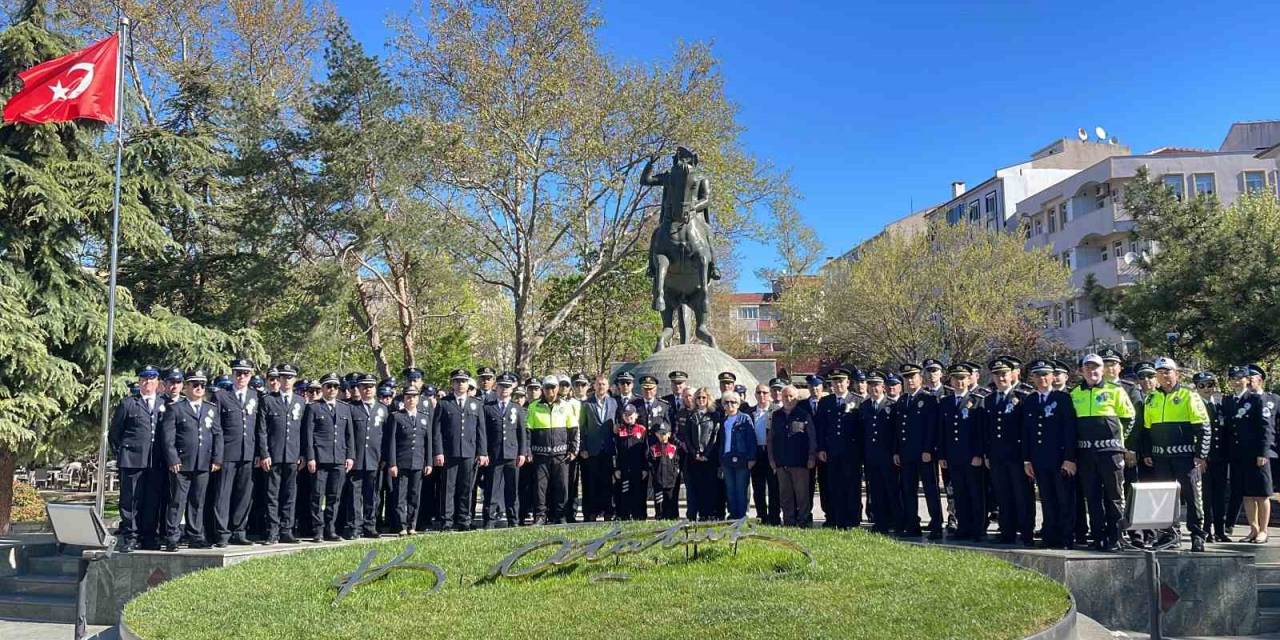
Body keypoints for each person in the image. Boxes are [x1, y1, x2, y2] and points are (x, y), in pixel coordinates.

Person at [1140, 357, 1211, 552]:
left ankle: (1197, 535)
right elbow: (1147, 429)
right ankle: (1169, 535)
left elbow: (1203, 428)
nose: (1164, 375)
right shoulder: (1151, 398)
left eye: (1168, 371)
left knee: (1192, 496)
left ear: (1176, 373)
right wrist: (1147, 452)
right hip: (1161, 458)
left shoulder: (1189, 396)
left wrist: (1200, 454)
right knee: (1165, 497)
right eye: (1160, 372)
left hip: (1185, 457)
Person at [1071, 353, 1136, 552]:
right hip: (1086, 453)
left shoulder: (1115, 391)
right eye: (1088, 368)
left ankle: (1116, 537)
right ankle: (1097, 536)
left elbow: (1129, 418)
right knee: (1092, 496)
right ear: (1081, 371)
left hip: (1110, 452)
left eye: (1096, 367)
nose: (1092, 371)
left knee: (1114, 496)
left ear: (1102, 369)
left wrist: (1119, 442)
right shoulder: (1075, 394)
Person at [159, 369, 223, 551]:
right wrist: (172, 459)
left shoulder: (211, 409)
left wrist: (217, 458)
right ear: (186, 386)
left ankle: (195, 535)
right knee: (177, 501)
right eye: (195, 384)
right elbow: (168, 438)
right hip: (181, 463)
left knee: (198, 501)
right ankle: (172, 537)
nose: (199, 388)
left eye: (202, 385)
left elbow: (217, 434)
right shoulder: (176, 408)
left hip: (203, 463)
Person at [1020, 359, 1078, 549]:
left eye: (1045, 374)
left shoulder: (1062, 399)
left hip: (1060, 459)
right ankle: (1050, 536)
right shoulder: (1029, 400)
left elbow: (1070, 430)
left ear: (1053, 376)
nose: (1042, 378)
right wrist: (1027, 460)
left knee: (1064, 499)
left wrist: (1069, 458)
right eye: (1038, 375)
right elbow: (1026, 433)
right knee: (1046, 499)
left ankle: (1066, 537)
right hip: (1039, 459)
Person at [109, 365, 165, 552]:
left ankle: (148, 536)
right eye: (144, 379)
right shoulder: (128, 403)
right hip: (132, 460)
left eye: (152, 379)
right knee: (130, 500)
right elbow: (115, 433)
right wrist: (123, 453)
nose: (148, 382)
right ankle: (131, 537)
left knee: (152, 500)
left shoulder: (163, 403)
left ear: (158, 382)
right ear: (139, 382)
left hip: (155, 462)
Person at [209, 358, 261, 547]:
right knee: (223, 494)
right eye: (238, 373)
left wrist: (259, 453)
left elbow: (258, 428)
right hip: (227, 453)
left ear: (250, 375)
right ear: (232, 374)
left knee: (244, 494)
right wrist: (218, 454)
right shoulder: (221, 395)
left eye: (245, 373)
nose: (241, 377)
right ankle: (222, 533)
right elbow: (217, 428)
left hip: (248, 452)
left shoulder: (255, 396)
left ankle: (239, 531)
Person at [983, 358, 1032, 545]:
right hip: (997, 455)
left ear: (1012, 375)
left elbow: (1026, 430)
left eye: (1004, 374)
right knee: (1002, 494)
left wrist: (1027, 456)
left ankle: (1026, 532)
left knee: (1022, 495)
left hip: (1017, 456)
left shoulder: (1022, 397)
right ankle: (1007, 531)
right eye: (997, 374)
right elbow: (987, 430)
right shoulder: (989, 399)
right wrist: (987, 453)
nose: (1001, 378)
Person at [433, 369, 489, 531]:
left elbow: (481, 430)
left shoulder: (476, 404)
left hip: (469, 453)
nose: (460, 384)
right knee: (447, 489)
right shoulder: (444, 403)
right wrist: (438, 452)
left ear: (468, 384)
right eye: (457, 381)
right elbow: (437, 430)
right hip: (449, 453)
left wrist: (482, 452)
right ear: (452, 384)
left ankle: (464, 520)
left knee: (466, 488)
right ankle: (447, 521)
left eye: (463, 381)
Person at [303, 373, 355, 542]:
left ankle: (330, 529)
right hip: (320, 459)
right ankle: (318, 530)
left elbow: (349, 435)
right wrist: (310, 457)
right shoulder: (313, 407)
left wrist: (350, 456)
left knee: (334, 496)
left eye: (335, 387)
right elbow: (308, 435)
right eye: (328, 386)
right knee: (317, 496)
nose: (332, 390)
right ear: (323, 389)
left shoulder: (344, 408)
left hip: (339, 458)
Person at [257, 364, 306, 544]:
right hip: (274, 455)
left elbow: (303, 431)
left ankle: (287, 529)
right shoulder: (268, 400)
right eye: (283, 377)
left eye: (290, 377)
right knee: (272, 495)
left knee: (289, 494)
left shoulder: (300, 402)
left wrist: (302, 454)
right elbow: (262, 430)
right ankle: (272, 531)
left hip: (292, 456)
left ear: (294, 379)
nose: (286, 381)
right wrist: (264, 454)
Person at [938, 363, 986, 541]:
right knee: (959, 493)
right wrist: (942, 454)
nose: (959, 382)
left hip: (971, 456)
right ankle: (963, 527)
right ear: (950, 380)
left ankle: (978, 529)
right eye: (956, 379)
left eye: (963, 378)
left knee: (975, 493)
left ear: (968, 380)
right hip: (953, 456)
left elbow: (980, 432)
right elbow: (941, 430)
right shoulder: (946, 402)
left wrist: (978, 454)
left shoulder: (977, 400)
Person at [896, 363, 943, 539]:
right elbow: (898, 429)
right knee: (908, 490)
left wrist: (928, 449)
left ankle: (936, 525)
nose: (909, 381)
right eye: (906, 378)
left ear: (920, 379)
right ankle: (912, 524)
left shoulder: (928, 399)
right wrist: (897, 451)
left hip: (924, 453)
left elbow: (932, 427)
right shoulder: (902, 400)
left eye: (913, 377)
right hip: (906, 453)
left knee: (931, 490)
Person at [1229, 365, 1274, 543]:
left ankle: (1264, 530)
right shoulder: (1237, 401)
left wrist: (1263, 452)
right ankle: (1253, 529)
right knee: (1247, 494)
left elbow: (1266, 428)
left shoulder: (1258, 399)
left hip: (1258, 454)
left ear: (1248, 380)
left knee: (1261, 493)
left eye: (1242, 377)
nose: (1238, 381)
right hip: (1241, 455)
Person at [527, 375, 579, 524]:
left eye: (553, 387)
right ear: (543, 389)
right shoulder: (533, 406)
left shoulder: (566, 406)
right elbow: (528, 431)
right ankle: (540, 516)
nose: (550, 390)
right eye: (547, 387)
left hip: (561, 454)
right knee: (540, 488)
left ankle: (560, 516)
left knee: (561, 487)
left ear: (557, 388)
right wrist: (528, 451)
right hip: (540, 454)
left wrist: (573, 450)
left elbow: (574, 429)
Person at [815, 367, 862, 529]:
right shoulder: (825, 402)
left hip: (851, 453)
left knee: (851, 486)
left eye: (841, 381)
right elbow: (821, 427)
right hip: (832, 452)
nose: (838, 384)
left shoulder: (857, 401)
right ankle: (835, 518)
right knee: (834, 486)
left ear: (848, 382)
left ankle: (852, 520)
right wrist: (821, 448)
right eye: (835, 381)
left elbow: (861, 429)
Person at [344, 373, 389, 539]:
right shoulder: (351, 408)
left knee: (372, 495)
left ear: (375, 388)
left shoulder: (383, 409)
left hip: (375, 459)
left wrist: (385, 458)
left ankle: (370, 525)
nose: (367, 390)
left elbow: (386, 437)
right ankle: (354, 527)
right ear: (359, 389)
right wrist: (350, 456)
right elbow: (347, 435)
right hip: (356, 459)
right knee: (355, 496)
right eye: (364, 387)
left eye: (370, 386)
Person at [387, 386, 435, 535]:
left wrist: (428, 462)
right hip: (401, 462)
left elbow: (428, 442)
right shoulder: (396, 416)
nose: (411, 399)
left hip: (418, 462)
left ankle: (411, 525)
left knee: (415, 495)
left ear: (418, 399)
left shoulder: (424, 417)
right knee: (400, 495)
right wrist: (392, 463)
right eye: (408, 396)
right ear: (404, 398)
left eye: (414, 396)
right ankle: (401, 525)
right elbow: (391, 442)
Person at [482, 373, 528, 528]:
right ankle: (489, 521)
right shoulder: (488, 408)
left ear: (512, 389)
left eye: (507, 387)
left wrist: (522, 452)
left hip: (512, 455)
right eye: (501, 386)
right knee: (492, 489)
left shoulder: (517, 408)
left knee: (512, 490)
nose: (504, 390)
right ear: (496, 387)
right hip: (494, 455)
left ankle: (513, 520)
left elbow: (522, 432)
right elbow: (483, 433)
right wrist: (484, 452)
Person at [769, 385, 817, 527]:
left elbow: (811, 438)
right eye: (785, 396)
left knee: (802, 495)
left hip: (800, 462)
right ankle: (789, 522)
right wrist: (772, 460)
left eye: (791, 397)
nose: (788, 399)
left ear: (797, 399)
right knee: (785, 495)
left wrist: (811, 457)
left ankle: (804, 521)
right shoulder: (776, 415)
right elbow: (770, 439)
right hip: (781, 462)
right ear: (781, 398)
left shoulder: (804, 414)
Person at [861, 371, 900, 534]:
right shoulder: (864, 406)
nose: (873, 388)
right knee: (875, 491)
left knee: (892, 490)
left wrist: (895, 452)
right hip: (871, 456)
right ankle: (880, 523)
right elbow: (861, 432)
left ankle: (897, 522)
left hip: (888, 456)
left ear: (883, 387)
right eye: (870, 385)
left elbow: (897, 432)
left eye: (876, 385)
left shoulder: (891, 405)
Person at [1194, 371, 1230, 543]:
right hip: (1205, 458)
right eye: (1202, 385)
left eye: (1210, 385)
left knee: (1220, 495)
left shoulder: (1219, 405)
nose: (1207, 388)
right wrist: (1200, 457)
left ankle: (1220, 531)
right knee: (1206, 496)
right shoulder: (1195, 405)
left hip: (1220, 458)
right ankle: (1206, 529)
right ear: (1196, 387)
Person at [579, 375, 618, 522]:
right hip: (592, 450)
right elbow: (582, 427)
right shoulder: (587, 404)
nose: (601, 386)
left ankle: (608, 511)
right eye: (599, 384)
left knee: (607, 482)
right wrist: (583, 447)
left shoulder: (613, 403)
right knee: (592, 482)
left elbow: (616, 423)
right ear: (594, 386)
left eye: (603, 384)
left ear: (607, 387)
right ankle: (592, 513)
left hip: (608, 449)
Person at [680, 387, 720, 521]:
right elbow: (686, 436)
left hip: (709, 458)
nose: (701, 400)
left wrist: (706, 454)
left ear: (708, 399)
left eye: (704, 397)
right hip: (693, 458)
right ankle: (692, 515)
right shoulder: (690, 415)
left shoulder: (714, 415)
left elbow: (714, 436)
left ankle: (707, 514)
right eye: (698, 397)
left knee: (708, 487)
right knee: (693, 488)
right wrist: (694, 453)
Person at [719, 391, 757, 520]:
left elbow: (751, 439)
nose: (730, 405)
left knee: (741, 488)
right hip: (726, 458)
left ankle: (741, 515)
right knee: (730, 488)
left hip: (742, 457)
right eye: (727, 402)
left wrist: (751, 458)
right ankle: (732, 514)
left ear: (738, 404)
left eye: (733, 402)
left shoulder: (745, 418)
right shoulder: (723, 420)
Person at [749, 384, 780, 525]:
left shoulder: (777, 411)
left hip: (772, 452)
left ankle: (774, 517)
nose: (762, 395)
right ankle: (761, 516)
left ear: (769, 394)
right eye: (759, 392)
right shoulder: (749, 412)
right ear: (755, 394)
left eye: (765, 393)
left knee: (774, 487)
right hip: (756, 452)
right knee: (758, 487)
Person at [613, 404, 649, 520]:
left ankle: (639, 516)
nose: (629, 417)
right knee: (624, 492)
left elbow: (645, 450)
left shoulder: (642, 430)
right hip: (623, 468)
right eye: (626, 415)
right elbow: (615, 450)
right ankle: (623, 516)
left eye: (631, 415)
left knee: (638, 493)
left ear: (636, 415)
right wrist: (616, 468)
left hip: (638, 468)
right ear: (623, 416)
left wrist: (645, 468)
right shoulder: (619, 430)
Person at [650, 424, 681, 519]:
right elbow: (651, 464)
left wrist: (675, 474)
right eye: (660, 434)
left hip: (670, 481)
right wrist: (655, 476)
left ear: (669, 434)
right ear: (657, 435)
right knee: (659, 501)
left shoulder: (673, 448)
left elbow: (676, 463)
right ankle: (659, 516)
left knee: (670, 500)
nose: (662, 436)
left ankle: (672, 516)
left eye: (664, 434)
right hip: (658, 481)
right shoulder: (653, 449)